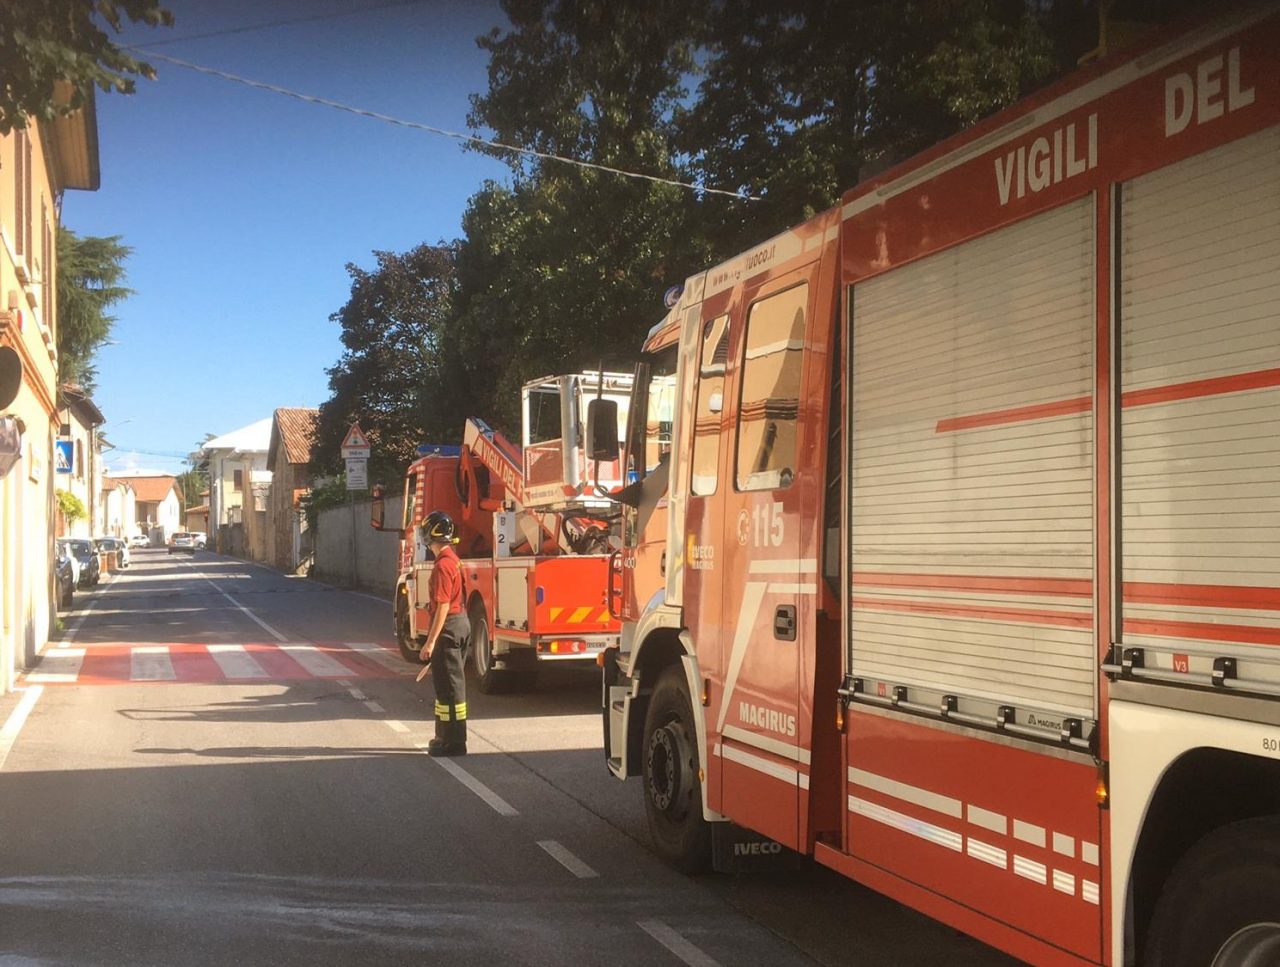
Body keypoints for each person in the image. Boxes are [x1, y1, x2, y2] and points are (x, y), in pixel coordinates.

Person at [414, 510, 471, 756]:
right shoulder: (453, 560)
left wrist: (430, 641)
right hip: (460, 624)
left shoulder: (442, 567)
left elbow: (444, 605)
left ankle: (454, 742)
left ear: (429, 535)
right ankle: (443, 736)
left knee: (449, 689)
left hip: (449, 628)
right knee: (448, 687)